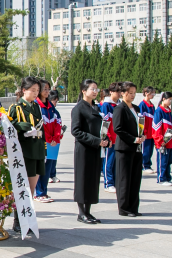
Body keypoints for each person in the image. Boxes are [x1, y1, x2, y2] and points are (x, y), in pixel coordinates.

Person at [8, 77, 45, 232]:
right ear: (24, 90)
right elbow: (9, 128)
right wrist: (22, 129)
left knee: (32, 189)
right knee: (23, 187)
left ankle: (27, 218)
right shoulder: (16, 107)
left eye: (37, 90)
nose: (36, 93)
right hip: (25, 151)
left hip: (37, 149)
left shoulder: (36, 107)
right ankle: (18, 220)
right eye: (33, 90)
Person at [71, 79, 108, 224]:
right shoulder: (79, 108)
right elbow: (76, 131)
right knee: (83, 180)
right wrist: (95, 140)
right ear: (84, 91)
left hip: (96, 149)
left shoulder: (96, 107)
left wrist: (105, 139)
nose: (95, 91)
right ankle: (81, 213)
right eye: (92, 89)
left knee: (92, 179)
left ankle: (88, 211)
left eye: (96, 89)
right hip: (84, 149)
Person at [112, 81, 145, 217]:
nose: (132, 95)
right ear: (123, 93)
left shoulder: (136, 108)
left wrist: (142, 135)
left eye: (134, 93)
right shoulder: (120, 109)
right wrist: (132, 139)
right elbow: (118, 128)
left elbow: (140, 125)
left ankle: (133, 207)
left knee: (135, 178)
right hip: (124, 148)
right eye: (130, 93)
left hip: (137, 148)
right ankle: (124, 208)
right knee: (124, 179)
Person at [35, 80, 60, 201]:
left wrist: (56, 137)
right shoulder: (36, 105)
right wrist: (49, 138)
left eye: (48, 89)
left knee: (48, 168)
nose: (47, 91)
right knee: (40, 168)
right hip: (42, 142)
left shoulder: (51, 107)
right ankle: (38, 193)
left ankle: (44, 192)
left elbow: (58, 122)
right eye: (44, 88)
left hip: (52, 143)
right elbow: (39, 125)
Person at [99, 83, 122, 191]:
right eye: (117, 91)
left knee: (116, 162)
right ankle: (108, 183)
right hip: (110, 139)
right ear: (111, 92)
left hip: (119, 139)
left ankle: (115, 182)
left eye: (120, 91)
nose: (119, 94)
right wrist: (107, 138)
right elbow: (105, 124)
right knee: (109, 162)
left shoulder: (120, 105)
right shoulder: (106, 105)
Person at [153, 92, 172, 185]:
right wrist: (160, 140)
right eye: (169, 99)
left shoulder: (170, 111)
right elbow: (156, 127)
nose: (170, 102)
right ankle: (161, 178)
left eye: (171, 100)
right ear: (163, 99)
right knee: (162, 161)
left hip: (170, 141)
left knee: (169, 161)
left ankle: (167, 178)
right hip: (163, 142)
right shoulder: (159, 111)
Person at [46, 89, 63, 185]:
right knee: (47, 160)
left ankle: (53, 174)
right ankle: (48, 175)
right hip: (47, 140)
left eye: (56, 101)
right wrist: (50, 138)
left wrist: (57, 137)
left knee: (53, 159)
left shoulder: (56, 112)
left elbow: (59, 125)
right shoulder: (44, 111)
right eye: (54, 101)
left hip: (55, 140)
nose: (55, 103)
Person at [139, 86, 157, 173]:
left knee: (150, 150)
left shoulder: (152, 106)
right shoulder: (142, 105)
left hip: (151, 132)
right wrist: (143, 132)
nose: (153, 95)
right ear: (146, 93)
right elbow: (141, 121)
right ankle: (144, 166)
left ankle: (148, 165)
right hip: (145, 133)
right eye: (152, 93)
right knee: (145, 150)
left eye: (154, 93)